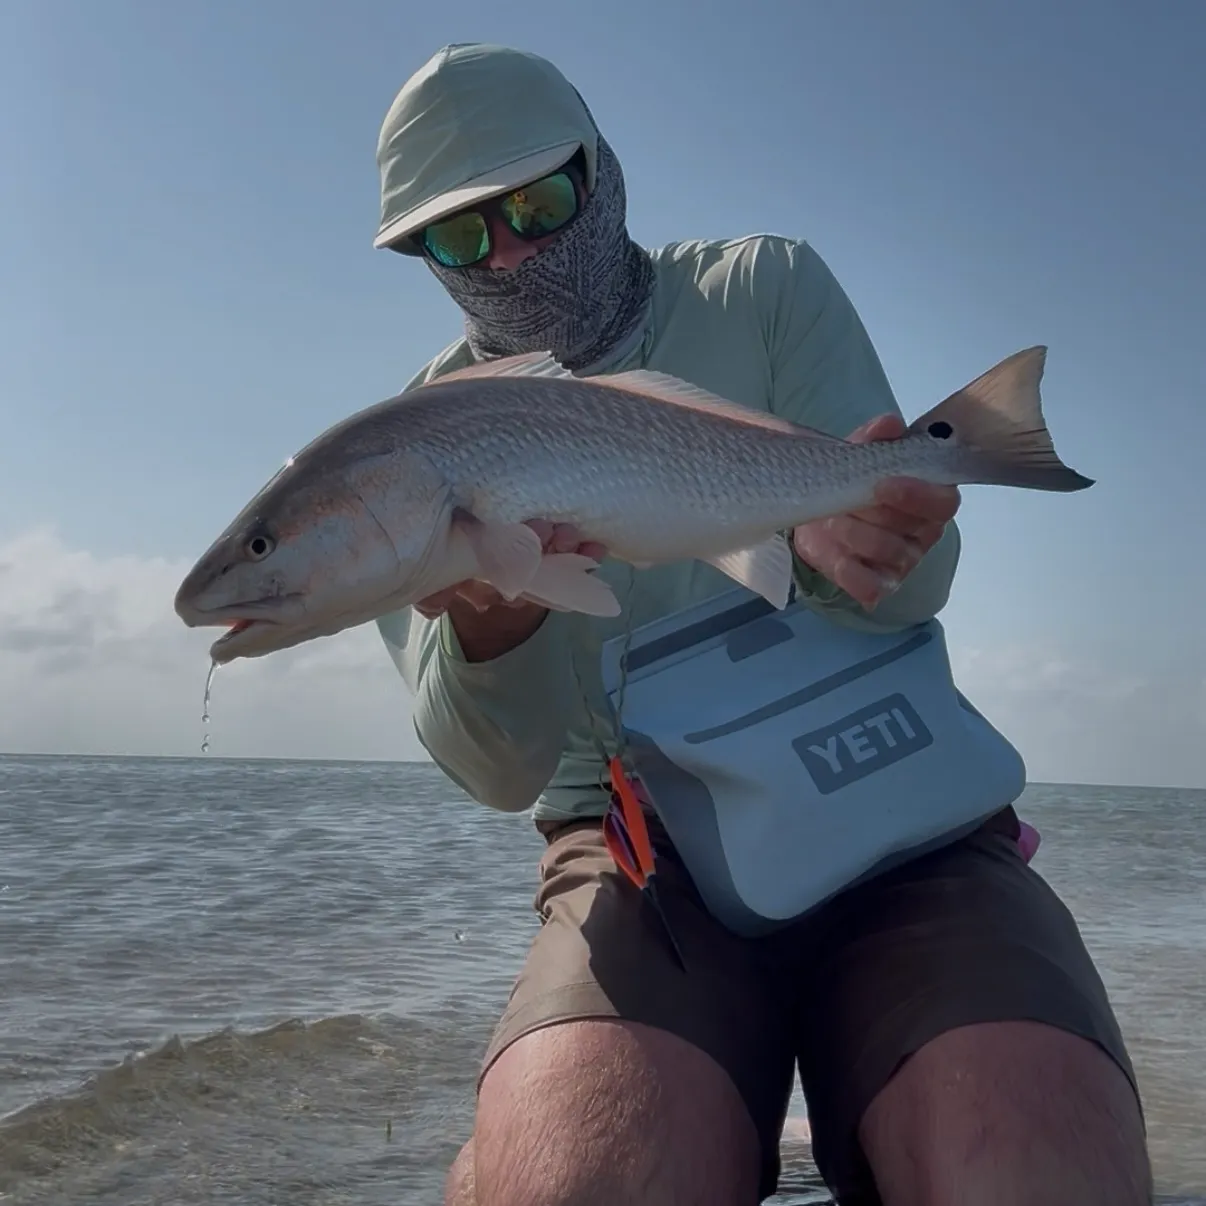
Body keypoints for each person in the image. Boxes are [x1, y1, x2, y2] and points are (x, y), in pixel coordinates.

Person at [371, 42, 1151, 1206]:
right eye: (461, 236)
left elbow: (917, 586)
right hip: (638, 852)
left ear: (604, 171)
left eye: (539, 202)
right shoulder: (411, 451)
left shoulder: (763, 288)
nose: (514, 252)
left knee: (1034, 1162)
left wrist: (873, 544)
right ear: (421, 259)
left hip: (891, 807)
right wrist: (491, 630)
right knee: (579, 1179)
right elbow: (498, 772)